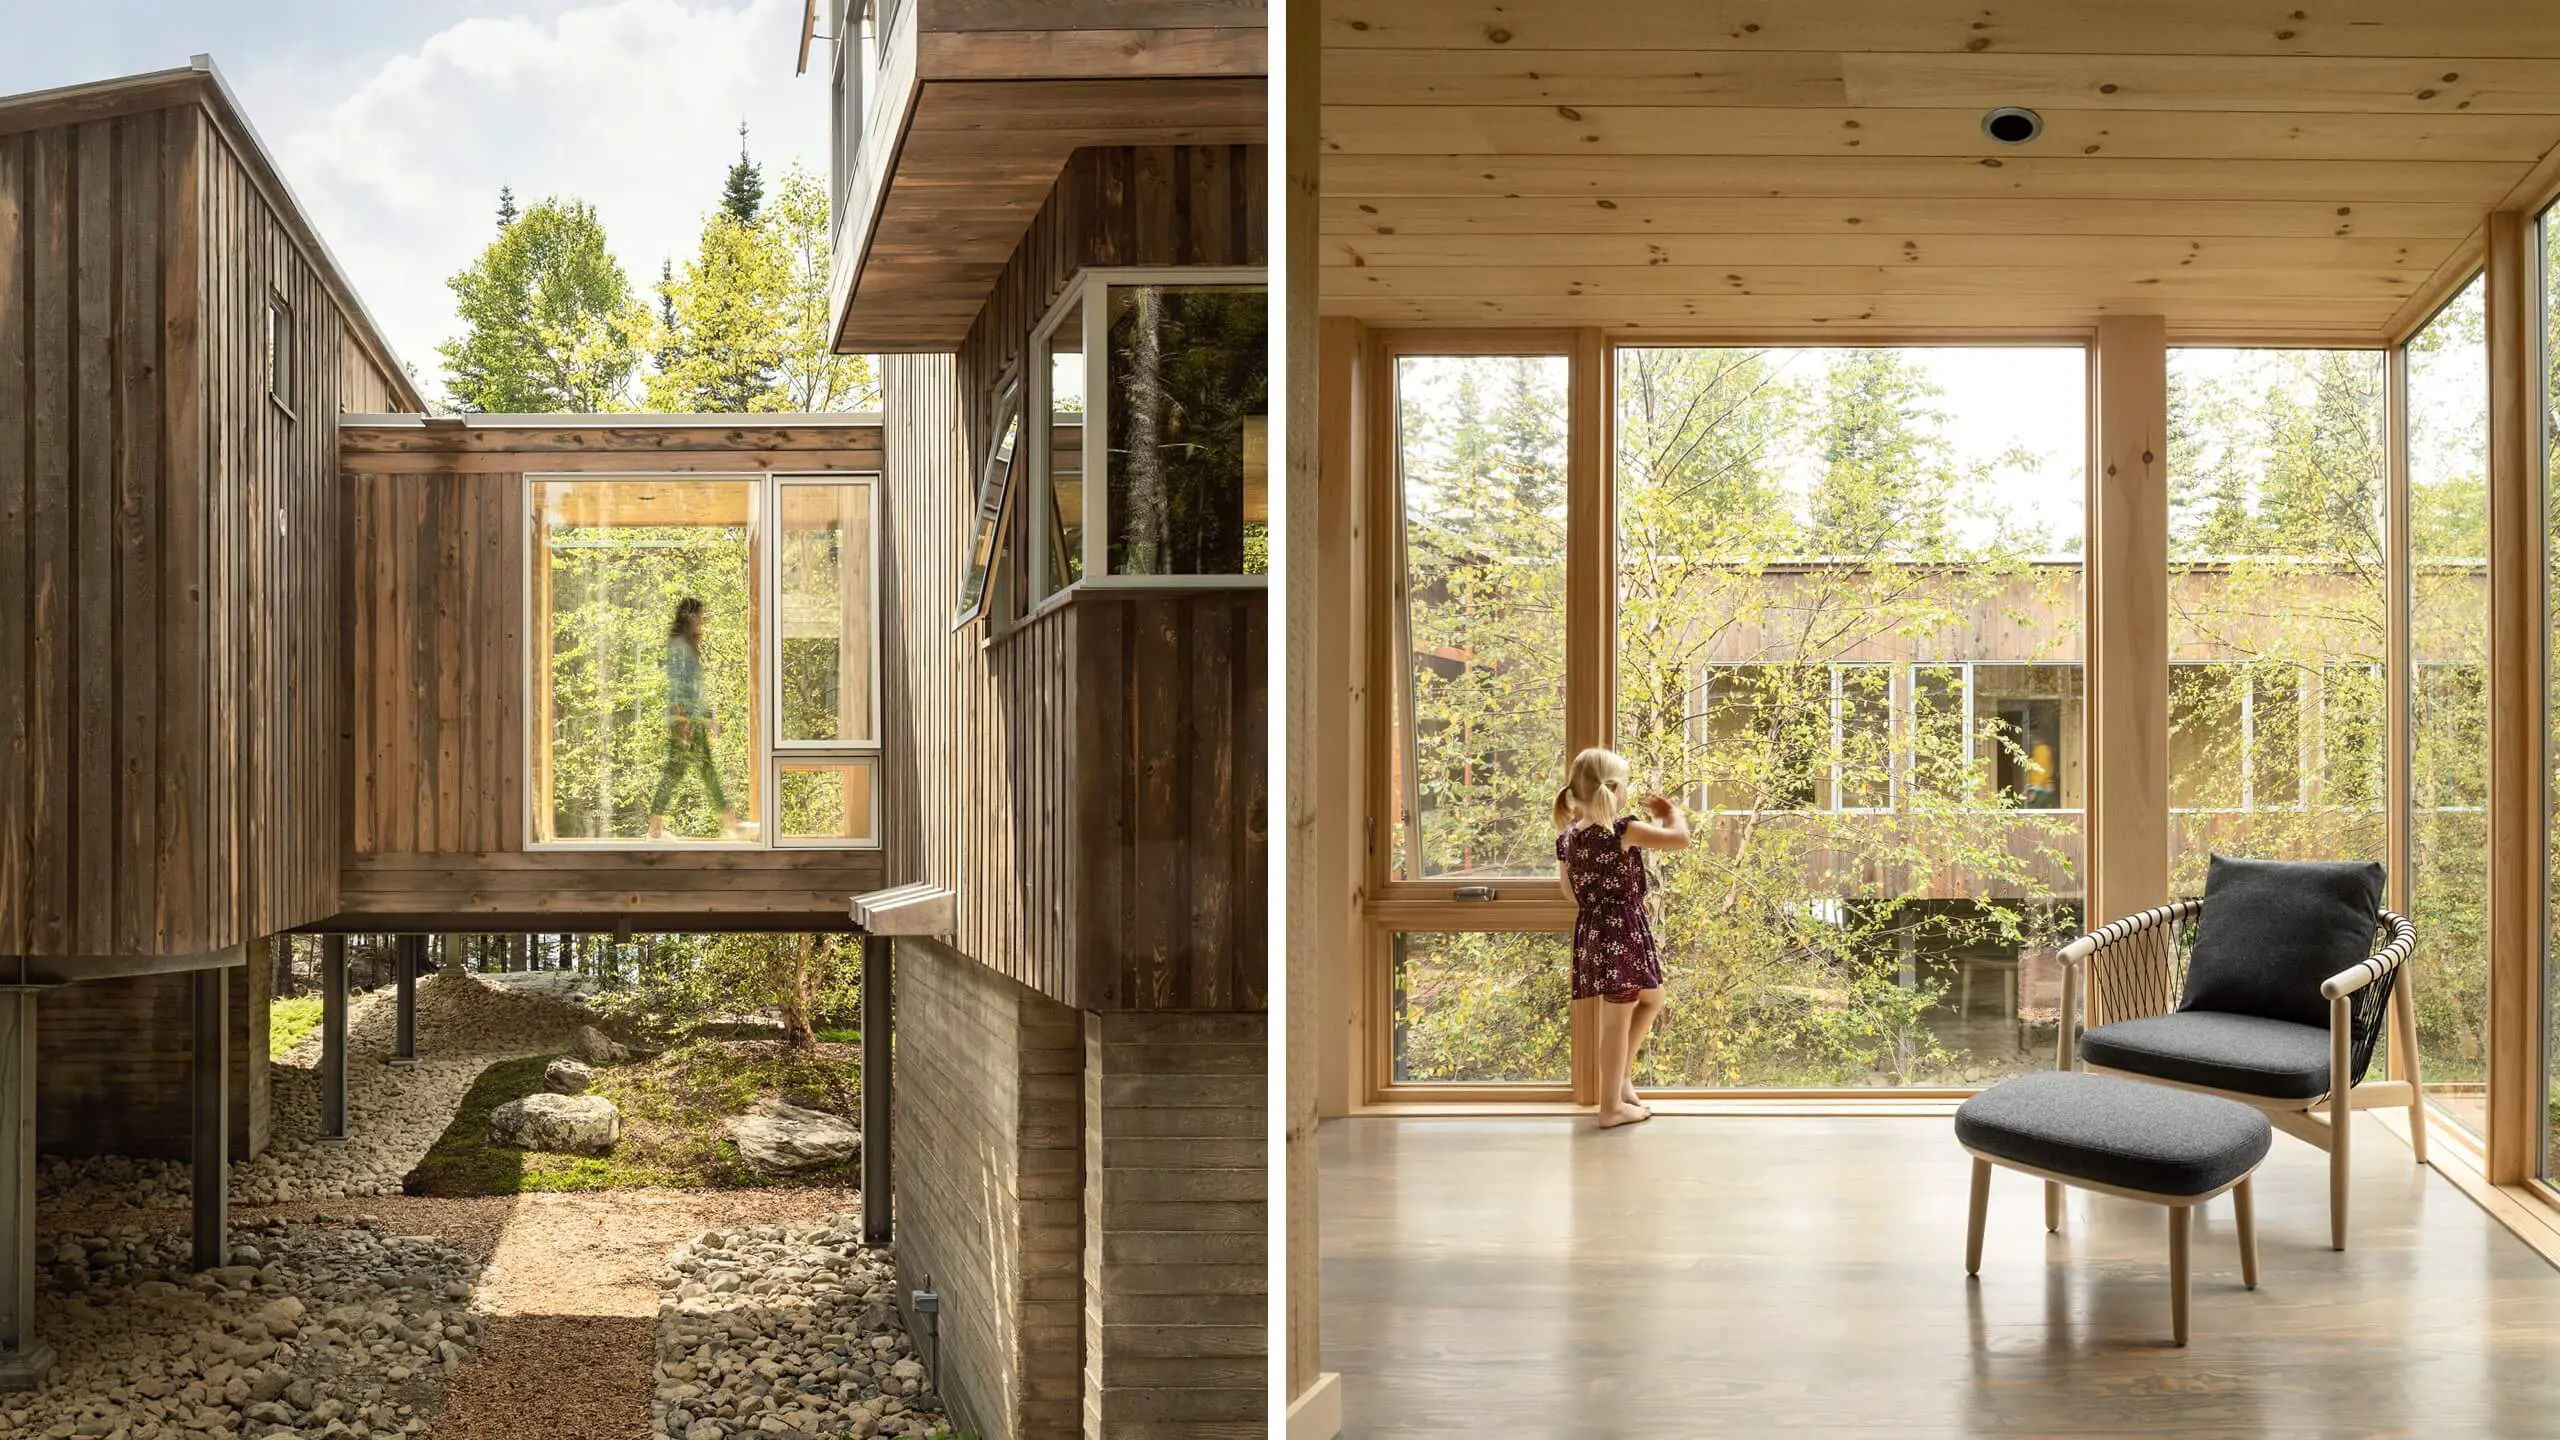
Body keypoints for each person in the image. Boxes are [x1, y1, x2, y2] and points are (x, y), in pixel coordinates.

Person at [1555, 746, 1690, 1129]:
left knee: (1652, 998)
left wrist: (1604, 900)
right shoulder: (1622, 830)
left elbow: (1568, 892)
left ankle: (1622, 1079)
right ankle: (1610, 1107)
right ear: (1614, 789)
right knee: (1617, 1020)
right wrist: (1670, 813)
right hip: (1621, 932)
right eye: (1626, 784)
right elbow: (1680, 839)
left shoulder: (1568, 838)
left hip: (1596, 931)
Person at [648, 597, 739, 840]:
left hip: (692, 719)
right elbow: (678, 688)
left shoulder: (687, 647)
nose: (702, 619)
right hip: (685, 720)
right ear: (689, 617)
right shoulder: (679, 647)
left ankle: (655, 828)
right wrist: (684, 722)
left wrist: (710, 718)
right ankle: (730, 824)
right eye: (699, 615)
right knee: (696, 770)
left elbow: (696, 691)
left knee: (685, 769)